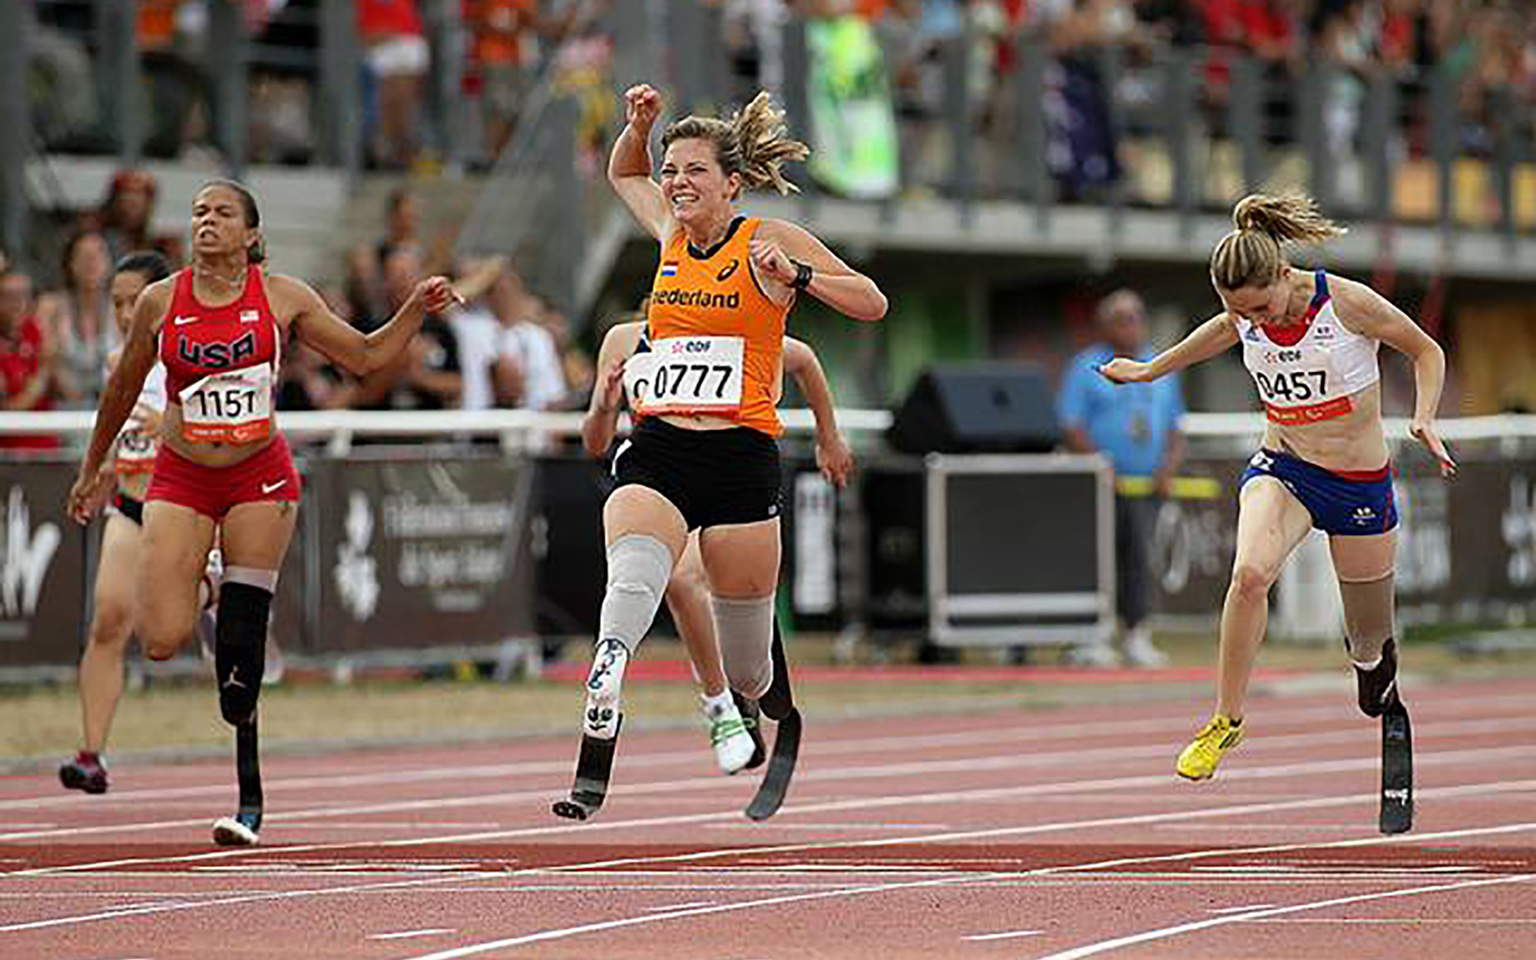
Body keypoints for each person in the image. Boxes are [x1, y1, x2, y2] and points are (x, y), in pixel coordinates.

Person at [66, 180, 457, 843]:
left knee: (239, 680)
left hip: (258, 477)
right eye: (197, 213)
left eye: (222, 213)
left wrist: (415, 309)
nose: (206, 222)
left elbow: (364, 356)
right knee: (160, 639)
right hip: (183, 476)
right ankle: (211, 582)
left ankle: (249, 792)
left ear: (251, 233)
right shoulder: (162, 302)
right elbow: (122, 387)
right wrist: (91, 466)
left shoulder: (282, 296)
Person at [555, 83, 885, 818]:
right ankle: (610, 666)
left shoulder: (767, 239)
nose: (676, 183)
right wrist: (638, 127)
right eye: (671, 172)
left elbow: (871, 301)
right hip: (662, 446)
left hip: (741, 461)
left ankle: (762, 697)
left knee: (748, 663)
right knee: (634, 578)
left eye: (694, 171)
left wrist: (796, 277)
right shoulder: (669, 238)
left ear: (732, 184)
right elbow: (622, 174)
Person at [1099, 193, 1453, 781]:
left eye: (1263, 308)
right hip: (1285, 466)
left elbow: (1426, 350)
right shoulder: (1244, 312)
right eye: (1244, 314)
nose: (1257, 323)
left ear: (1285, 276)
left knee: (1369, 640)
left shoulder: (1347, 304)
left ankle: (1371, 665)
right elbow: (1216, 333)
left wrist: (1423, 416)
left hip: (1358, 484)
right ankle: (1225, 720)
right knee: (1249, 575)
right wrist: (1147, 370)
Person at [583, 319, 855, 773]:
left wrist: (829, 436)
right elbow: (595, 441)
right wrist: (604, 405)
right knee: (683, 579)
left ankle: (743, 690)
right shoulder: (623, 340)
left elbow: (804, 358)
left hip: (733, 480)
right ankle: (719, 706)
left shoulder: (736, 327)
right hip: (662, 478)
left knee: (743, 644)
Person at [57, 252, 181, 794]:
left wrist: (171, 424)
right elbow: (118, 427)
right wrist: (99, 471)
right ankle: (91, 754)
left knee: (165, 632)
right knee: (107, 619)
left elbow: (238, 423)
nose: (128, 314)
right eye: (118, 304)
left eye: (137, 302)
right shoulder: (117, 360)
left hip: (186, 506)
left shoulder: (191, 354)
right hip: (131, 504)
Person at [1058, 289, 1186, 668]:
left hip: (1146, 484)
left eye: (1135, 317)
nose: (1130, 326)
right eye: (1121, 318)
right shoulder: (1085, 367)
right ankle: (1091, 636)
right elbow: (1070, 422)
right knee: (1097, 558)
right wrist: (1097, 462)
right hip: (1100, 485)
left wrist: (1169, 466)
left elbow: (1176, 425)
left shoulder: (1161, 365)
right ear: (1104, 325)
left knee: (1140, 558)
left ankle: (1136, 634)